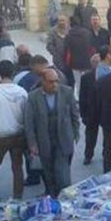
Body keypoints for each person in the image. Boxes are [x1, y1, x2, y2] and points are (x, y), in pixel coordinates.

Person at [25, 69, 81, 197]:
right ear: (43, 81)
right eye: (51, 82)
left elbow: (74, 114)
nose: (55, 84)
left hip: (63, 139)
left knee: (63, 175)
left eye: (56, 81)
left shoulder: (66, 92)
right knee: (48, 171)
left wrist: (75, 133)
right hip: (44, 140)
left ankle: (65, 197)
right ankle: (51, 195)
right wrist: (32, 143)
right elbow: (29, 122)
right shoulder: (33, 97)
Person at [0, 61, 28, 201]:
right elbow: (26, 114)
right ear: (13, 72)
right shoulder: (22, 92)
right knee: (17, 167)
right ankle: (18, 196)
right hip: (18, 134)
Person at [79, 54, 100, 165]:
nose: (96, 64)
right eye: (94, 62)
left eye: (98, 62)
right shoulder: (85, 77)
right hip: (91, 111)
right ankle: (88, 155)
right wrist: (83, 114)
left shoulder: (107, 75)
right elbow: (82, 96)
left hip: (104, 110)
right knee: (90, 135)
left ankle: (108, 154)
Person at [65, 16, 94, 88]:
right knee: (88, 83)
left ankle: (78, 94)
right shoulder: (87, 32)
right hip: (87, 62)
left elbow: (67, 50)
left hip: (75, 63)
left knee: (78, 83)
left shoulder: (69, 34)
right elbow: (92, 48)